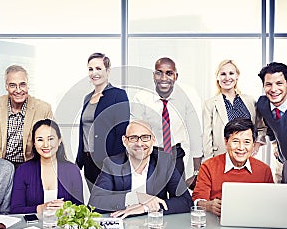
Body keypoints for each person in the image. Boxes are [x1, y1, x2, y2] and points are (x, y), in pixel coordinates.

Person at [88, 120, 193, 219]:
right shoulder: (112, 164)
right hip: (124, 227)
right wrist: (137, 197)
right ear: (125, 141)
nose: (139, 143)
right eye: (133, 138)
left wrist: (146, 208)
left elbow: (186, 201)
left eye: (145, 137)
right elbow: (95, 202)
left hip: (155, 228)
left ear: (153, 140)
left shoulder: (164, 162)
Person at [131, 57, 202, 189]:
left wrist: (197, 172)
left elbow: (195, 133)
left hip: (177, 154)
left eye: (169, 73)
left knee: (181, 200)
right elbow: (137, 133)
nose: (164, 78)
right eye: (159, 72)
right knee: (154, 202)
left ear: (176, 76)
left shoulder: (187, 96)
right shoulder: (141, 97)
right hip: (153, 155)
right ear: (153, 76)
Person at [192, 118, 274, 216]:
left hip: (253, 222)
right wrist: (208, 205)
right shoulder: (208, 166)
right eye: (236, 141)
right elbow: (198, 200)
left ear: (253, 144)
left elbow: (271, 204)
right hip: (217, 223)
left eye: (247, 142)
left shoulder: (264, 170)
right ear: (226, 142)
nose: (241, 148)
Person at [76, 53, 130, 191]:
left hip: (108, 163)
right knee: (95, 206)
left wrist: (113, 164)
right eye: (91, 69)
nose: (94, 73)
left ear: (108, 70)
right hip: (88, 162)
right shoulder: (87, 98)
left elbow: (121, 133)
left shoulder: (118, 95)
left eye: (98, 68)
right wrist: (78, 162)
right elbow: (83, 132)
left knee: (109, 205)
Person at [0, 65, 53, 168]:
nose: (18, 90)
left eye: (22, 85)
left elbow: (52, 141)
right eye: (12, 85)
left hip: (30, 166)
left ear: (28, 85)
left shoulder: (43, 109)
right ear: (6, 86)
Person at [10, 119, 84, 214]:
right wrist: (40, 209)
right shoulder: (23, 170)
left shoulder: (72, 170)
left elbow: (81, 208)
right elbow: (15, 210)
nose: (46, 145)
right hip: (32, 227)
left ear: (59, 141)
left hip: (64, 226)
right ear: (34, 143)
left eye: (50, 139)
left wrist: (68, 208)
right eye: (40, 140)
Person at [203, 60, 266, 160]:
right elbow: (206, 136)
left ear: (237, 76)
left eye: (231, 73)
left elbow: (261, 128)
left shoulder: (250, 101)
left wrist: (256, 145)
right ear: (217, 77)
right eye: (223, 74)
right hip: (221, 156)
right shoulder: (210, 104)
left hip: (246, 156)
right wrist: (209, 161)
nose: (227, 78)